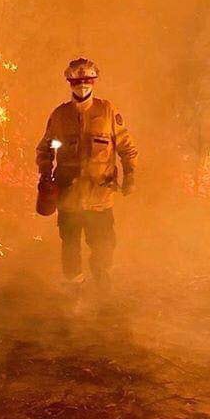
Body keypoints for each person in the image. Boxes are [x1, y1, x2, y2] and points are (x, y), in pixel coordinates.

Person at [36, 58, 137, 289]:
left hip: (100, 197)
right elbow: (45, 148)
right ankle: (74, 287)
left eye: (87, 80)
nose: (82, 85)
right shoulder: (60, 115)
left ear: (95, 81)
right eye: (77, 80)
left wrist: (130, 174)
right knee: (70, 245)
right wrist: (45, 173)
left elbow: (127, 147)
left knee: (104, 244)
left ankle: (101, 280)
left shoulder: (108, 111)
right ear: (70, 82)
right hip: (69, 197)